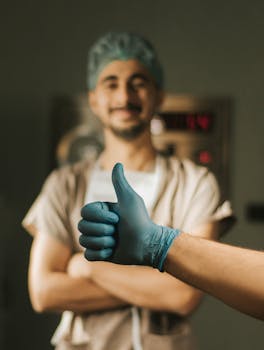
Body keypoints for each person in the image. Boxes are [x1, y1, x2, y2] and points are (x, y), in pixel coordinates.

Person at [22, 32, 234, 350]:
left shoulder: (195, 184)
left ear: (158, 95)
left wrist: (86, 266)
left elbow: (185, 295)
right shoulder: (64, 185)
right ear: (94, 99)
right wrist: (154, 283)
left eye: (138, 82)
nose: (124, 96)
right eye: (111, 83)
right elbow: (44, 292)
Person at [78, 163, 264, 321]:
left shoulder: (194, 180)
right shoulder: (69, 180)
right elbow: (47, 292)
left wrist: (89, 270)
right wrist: (156, 290)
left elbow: (182, 296)